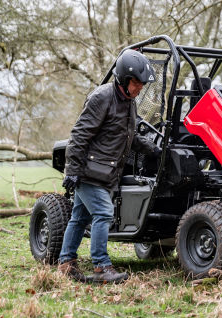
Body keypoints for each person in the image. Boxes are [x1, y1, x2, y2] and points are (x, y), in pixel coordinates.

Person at [57, 49, 160, 284]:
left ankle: (65, 263)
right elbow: (79, 136)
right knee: (103, 212)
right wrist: (72, 172)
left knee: (79, 217)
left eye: (142, 84)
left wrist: (152, 149)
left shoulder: (129, 104)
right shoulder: (102, 97)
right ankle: (102, 267)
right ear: (124, 79)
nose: (139, 88)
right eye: (136, 83)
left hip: (106, 173)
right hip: (88, 171)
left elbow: (129, 137)